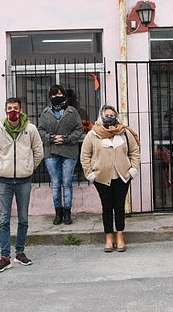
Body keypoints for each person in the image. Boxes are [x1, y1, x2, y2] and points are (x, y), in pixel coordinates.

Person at [0, 97, 43, 272]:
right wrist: (0, 169)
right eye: (9, 108)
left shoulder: (30, 129)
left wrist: (28, 168)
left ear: (21, 110)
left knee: (23, 218)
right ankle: (5, 256)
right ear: (5, 111)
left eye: (15, 108)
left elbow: (38, 152)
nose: (13, 111)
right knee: (4, 219)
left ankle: (20, 252)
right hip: (4, 181)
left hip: (24, 180)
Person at [80, 104, 141, 252]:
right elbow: (85, 155)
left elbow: (134, 151)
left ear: (116, 116)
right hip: (101, 178)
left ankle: (120, 235)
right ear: (102, 116)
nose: (109, 118)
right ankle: (108, 237)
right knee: (107, 208)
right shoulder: (93, 134)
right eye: (107, 116)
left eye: (112, 116)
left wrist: (133, 170)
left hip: (122, 177)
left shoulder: (125, 132)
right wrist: (90, 174)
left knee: (119, 207)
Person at [38, 85, 84, 225]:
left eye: (60, 94)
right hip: (51, 152)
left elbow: (79, 129)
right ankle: (58, 212)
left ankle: (67, 212)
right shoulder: (45, 113)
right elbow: (40, 130)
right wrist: (51, 138)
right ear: (50, 97)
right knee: (56, 183)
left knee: (67, 183)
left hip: (69, 152)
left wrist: (66, 139)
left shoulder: (72, 112)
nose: (57, 96)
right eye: (54, 94)